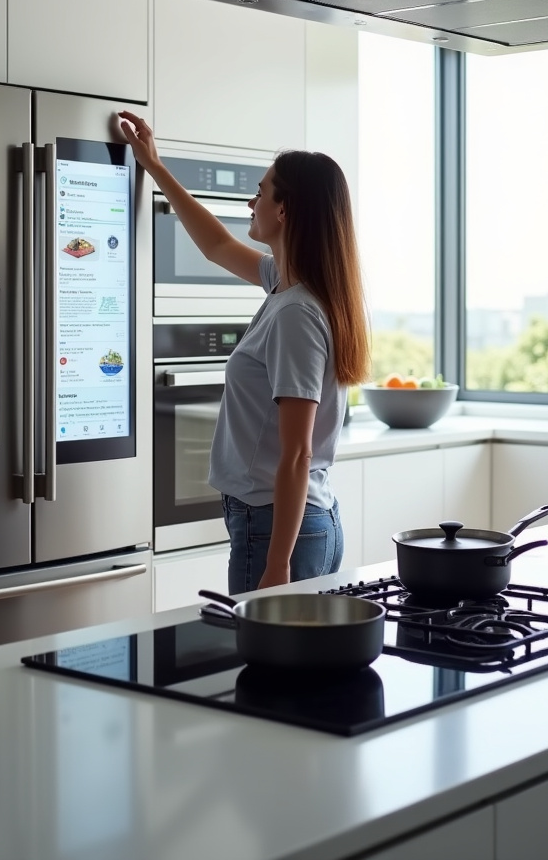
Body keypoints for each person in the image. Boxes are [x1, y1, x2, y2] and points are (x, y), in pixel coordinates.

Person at [118, 111, 370, 594]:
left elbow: (297, 454)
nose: (251, 201)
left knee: (269, 664)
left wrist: (277, 566)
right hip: (296, 521)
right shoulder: (288, 284)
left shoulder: (297, 314)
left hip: (278, 530)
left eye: (261, 191)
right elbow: (216, 245)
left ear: (284, 211)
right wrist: (154, 166)